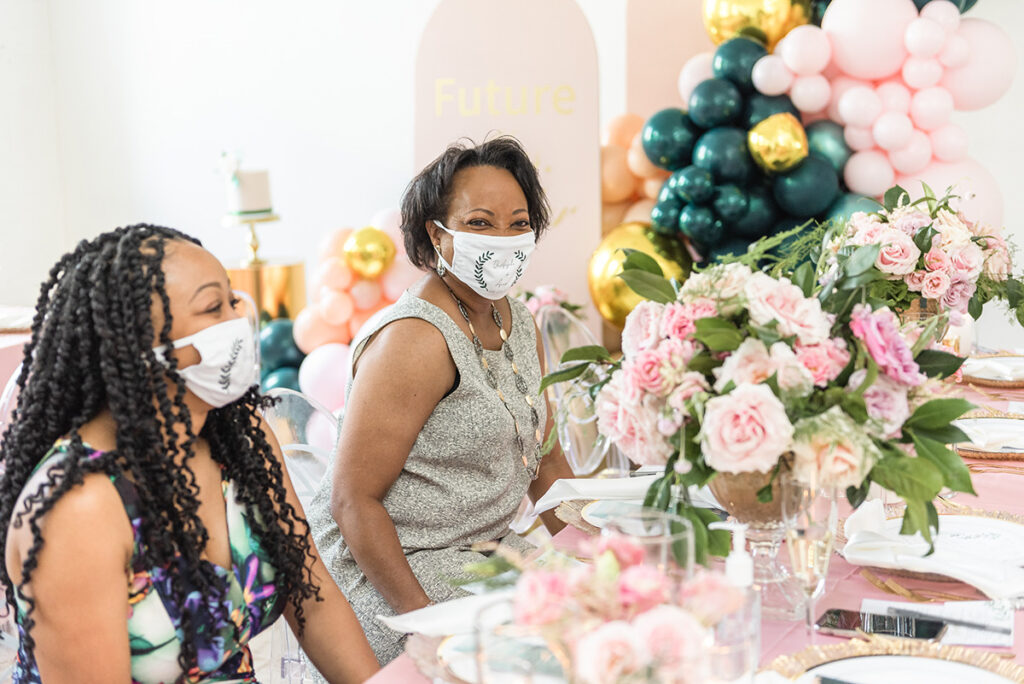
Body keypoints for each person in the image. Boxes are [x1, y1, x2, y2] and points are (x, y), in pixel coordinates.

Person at [0, 225, 380, 683]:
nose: (239, 319)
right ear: (136, 344)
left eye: (233, 301)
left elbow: (313, 600)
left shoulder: (241, 438)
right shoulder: (78, 508)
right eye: (214, 307)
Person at [305, 136, 575, 665]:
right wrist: (426, 627)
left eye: (518, 223)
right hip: (395, 572)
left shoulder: (519, 321)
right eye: (480, 223)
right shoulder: (414, 339)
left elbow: (545, 461)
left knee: (608, 615)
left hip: (482, 555)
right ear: (437, 233)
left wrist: (598, 553)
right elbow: (352, 501)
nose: (503, 240)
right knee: (546, 653)